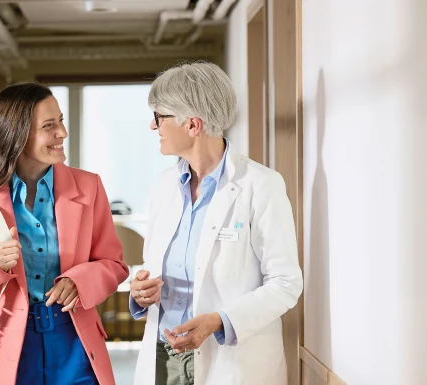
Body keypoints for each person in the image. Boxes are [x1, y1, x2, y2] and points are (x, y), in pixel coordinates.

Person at [0, 82, 129, 385]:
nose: (62, 134)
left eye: (61, 122)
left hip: (74, 343)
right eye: (49, 126)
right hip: (4, 348)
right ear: (16, 134)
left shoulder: (89, 186)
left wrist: (79, 280)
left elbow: (114, 265)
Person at [129, 62, 303, 385]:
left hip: (231, 362)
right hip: (165, 357)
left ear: (193, 124)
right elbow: (154, 268)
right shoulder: (164, 186)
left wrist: (220, 321)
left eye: (159, 117)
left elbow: (286, 282)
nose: (154, 127)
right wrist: (140, 292)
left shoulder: (261, 185)